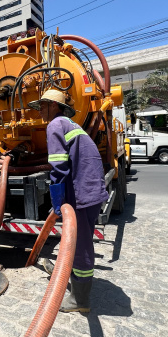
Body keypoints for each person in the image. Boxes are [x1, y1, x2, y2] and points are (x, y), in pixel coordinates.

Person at [28, 89, 109, 313]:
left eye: (43, 105)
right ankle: (73, 279)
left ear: (55, 106)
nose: (41, 110)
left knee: (81, 245)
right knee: (76, 242)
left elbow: (59, 166)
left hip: (81, 193)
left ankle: (79, 301)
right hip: (90, 190)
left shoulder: (55, 125)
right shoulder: (73, 126)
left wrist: (58, 199)